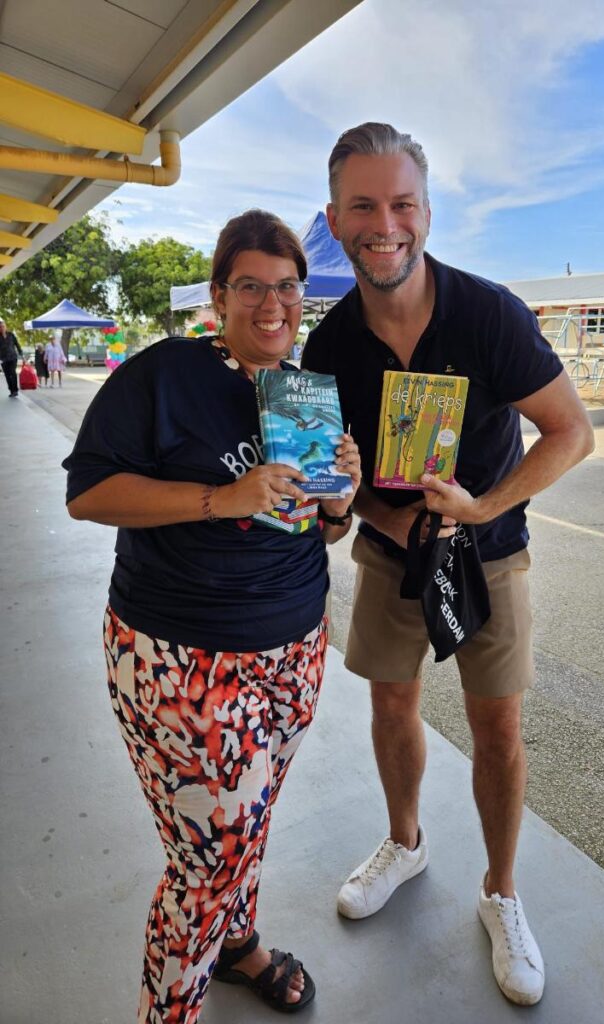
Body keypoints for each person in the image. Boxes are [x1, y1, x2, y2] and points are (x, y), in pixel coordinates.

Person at [302, 123, 594, 1007]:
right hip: (392, 553)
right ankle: (407, 841)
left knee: (497, 728)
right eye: (362, 205)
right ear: (335, 218)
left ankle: (502, 894)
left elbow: (572, 432)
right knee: (392, 703)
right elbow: (325, 513)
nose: (382, 224)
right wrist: (336, 506)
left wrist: (483, 507)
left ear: (425, 213)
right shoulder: (330, 350)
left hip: (490, 553)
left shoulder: (487, 313)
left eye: (400, 204)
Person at [63, 209, 361, 1022]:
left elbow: (321, 529)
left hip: (295, 645)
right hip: (181, 657)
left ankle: (237, 947)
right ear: (219, 296)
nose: (274, 305)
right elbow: (87, 492)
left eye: (288, 287)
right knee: (207, 865)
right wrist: (217, 498)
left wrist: (342, 496)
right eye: (251, 287)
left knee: (247, 826)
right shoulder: (162, 375)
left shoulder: (300, 394)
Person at [0, 316, 23, 397]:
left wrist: (21, 353)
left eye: (3, 326)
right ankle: (11, 390)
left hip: (13, 357)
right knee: (7, 375)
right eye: (0, 327)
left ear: (5, 327)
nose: (2, 328)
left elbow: (17, 344)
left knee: (13, 373)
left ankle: (15, 390)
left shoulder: (11, 335)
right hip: (3, 359)